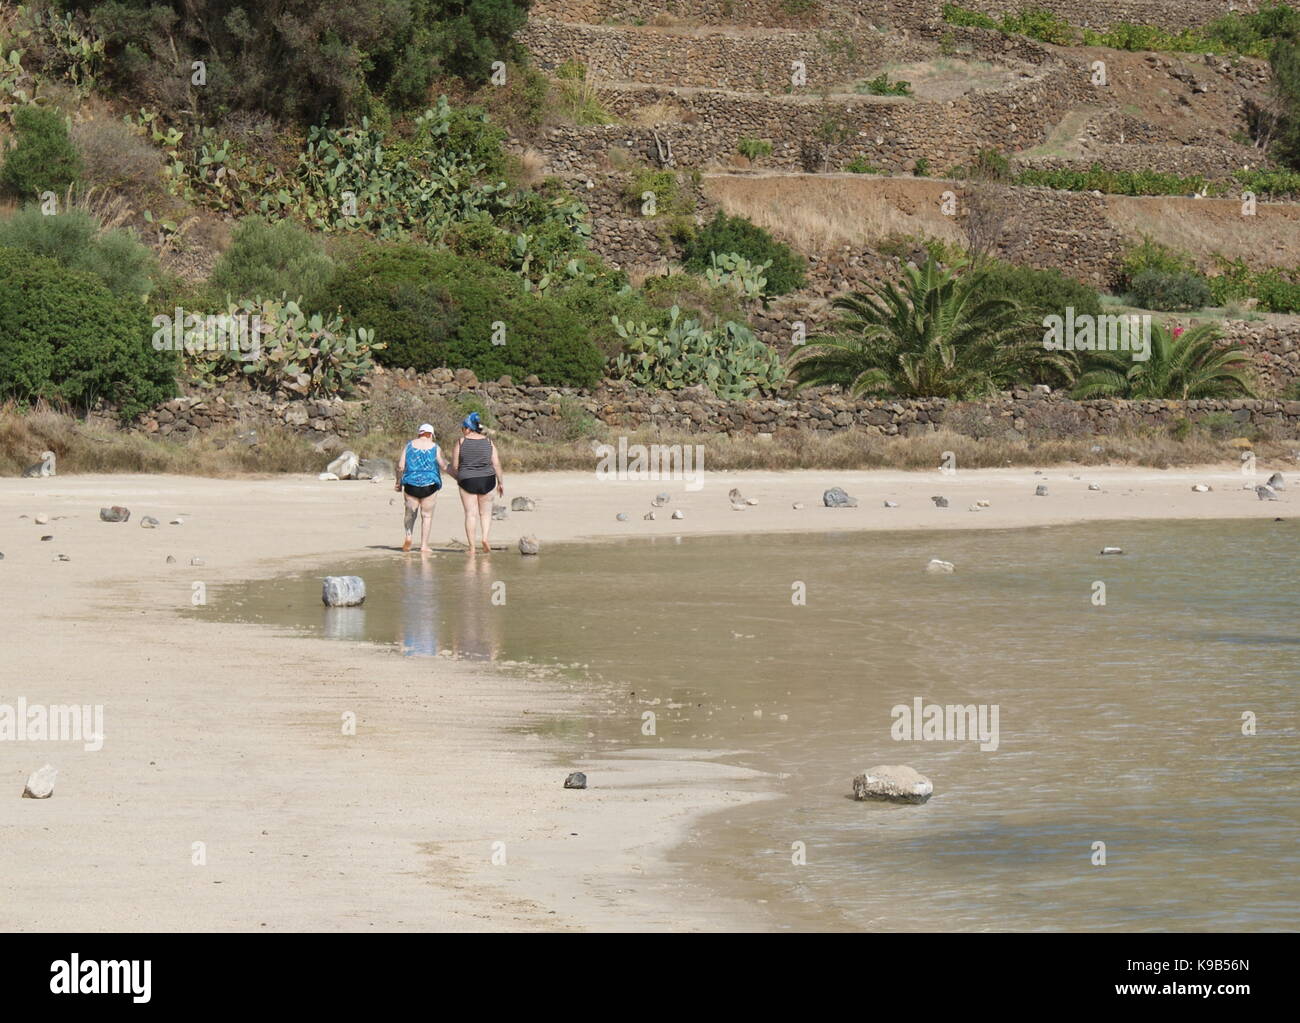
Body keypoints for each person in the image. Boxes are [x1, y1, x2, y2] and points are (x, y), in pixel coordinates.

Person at [450, 411, 504, 554]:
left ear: (468, 428)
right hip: (487, 480)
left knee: (470, 514)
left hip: (467, 480)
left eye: (463, 427)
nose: (462, 430)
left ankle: (472, 548)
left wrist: (459, 477)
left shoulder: (461, 442)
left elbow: (455, 465)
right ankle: (485, 538)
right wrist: (501, 482)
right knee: (485, 513)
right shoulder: (488, 442)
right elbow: (496, 463)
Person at [395, 423, 451, 554]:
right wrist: (458, 475)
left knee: (410, 513)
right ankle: (424, 545)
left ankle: (409, 535)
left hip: (411, 484)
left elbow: (400, 466)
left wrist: (398, 482)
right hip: (429, 485)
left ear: (420, 433)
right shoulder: (435, 447)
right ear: (430, 434)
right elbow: (443, 465)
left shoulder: (409, 445)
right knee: (426, 516)